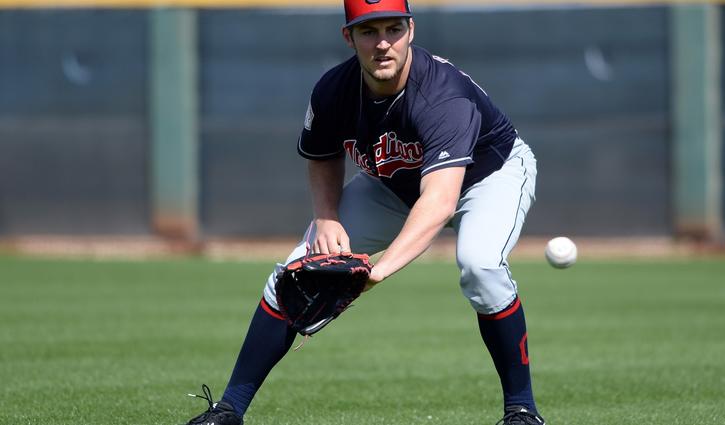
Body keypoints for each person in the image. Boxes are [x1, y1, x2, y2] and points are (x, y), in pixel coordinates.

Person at [182, 0, 542, 424]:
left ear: (411, 30)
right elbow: (322, 154)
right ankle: (228, 410)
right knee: (297, 274)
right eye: (369, 31)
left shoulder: (442, 95)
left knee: (480, 266)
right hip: (392, 187)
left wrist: (379, 270)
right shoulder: (333, 90)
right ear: (348, 37)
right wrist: (326, 216)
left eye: (393, 29)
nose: (383, 43)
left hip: (488, 177)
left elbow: (439, 201)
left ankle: (523, 411)